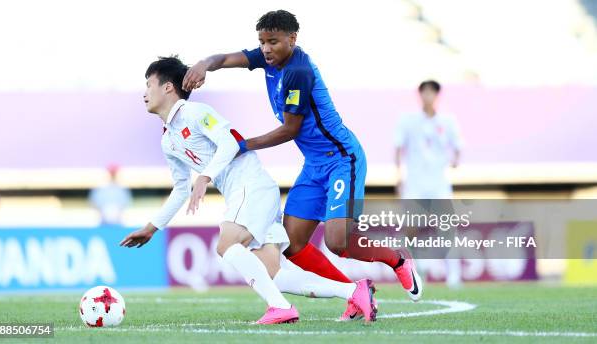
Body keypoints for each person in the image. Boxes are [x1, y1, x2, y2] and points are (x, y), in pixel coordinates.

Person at [182, 10, 423, 309]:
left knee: (338, 242)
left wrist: (242, 145)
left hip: (341, 159)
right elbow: (226, 59)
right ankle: (354, 294)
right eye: (262, 42)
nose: (266, 49)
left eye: (273, 41)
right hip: (313, 165)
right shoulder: (268, 58)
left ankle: (397, 259)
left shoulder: (298, 72)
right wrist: (204, 64)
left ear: (292, 39)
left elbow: (290, 129)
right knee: (293, 244)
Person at [120, 57, 377, 324]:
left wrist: (205, 176)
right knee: (276, 273)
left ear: (168, 87)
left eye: (149, 84)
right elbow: (181, 188)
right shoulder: (168, 141)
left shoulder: (195, 113)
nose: (144, 92)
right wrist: (152, 227)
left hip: (250, 186)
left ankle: (280, 307)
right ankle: (353, 291)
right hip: (248, 194)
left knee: (227, 244)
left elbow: (231, 144)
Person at [394, 80, 463, 287]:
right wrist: (399, 176)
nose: (428, 96)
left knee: (447, 227)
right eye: (425, 92)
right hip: (415, 182)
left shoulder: (447, 121)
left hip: (438, 182)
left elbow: (458, 145)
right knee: (410, 228)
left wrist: (456, 160)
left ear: (437, 95)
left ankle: (454, 276)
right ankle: (415, 268)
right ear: (420, 95)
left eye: (432, 92)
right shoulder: (408, 121)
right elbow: (398, 148)